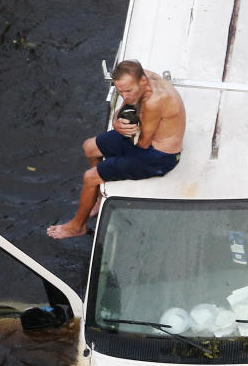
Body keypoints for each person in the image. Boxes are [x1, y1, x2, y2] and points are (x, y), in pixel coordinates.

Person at [47, 60, 185, 239]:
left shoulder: (155, 101)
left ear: (142, 81)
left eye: (128, 91)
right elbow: (127, 103)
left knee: (90, 177)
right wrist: (116, 122)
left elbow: (142, 144)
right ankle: (96, 198)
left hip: (159, 156)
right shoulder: (142, 75)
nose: (124, 95)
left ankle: (77, 227)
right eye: (120, 90)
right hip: (142, 141)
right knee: (89, 147)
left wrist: (122, 129)